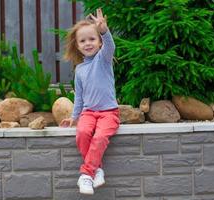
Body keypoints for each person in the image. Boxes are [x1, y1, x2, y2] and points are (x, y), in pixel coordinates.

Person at [59, 8, 120, 195]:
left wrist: (104, 31)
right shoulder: (80, 70)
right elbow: (79, 97)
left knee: (100, 137)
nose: (87, 43)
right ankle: (96, 169)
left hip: (109, 112)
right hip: (88, 113)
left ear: (100, 43)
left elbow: (111, 46)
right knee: (83, 133)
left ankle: (86, 174)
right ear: (77, 45)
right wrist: (74, 117)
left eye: (92, 39)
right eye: (83, 41)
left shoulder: (104, 59)